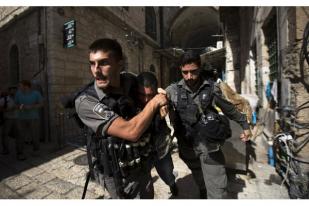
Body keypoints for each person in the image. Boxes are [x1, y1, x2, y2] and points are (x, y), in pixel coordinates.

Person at [74, 38, 168, 199]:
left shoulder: (129, 81)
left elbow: (148, 88)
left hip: (142, 164)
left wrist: (160, 95)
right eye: (92, 63)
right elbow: (131, 131)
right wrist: (155, 103)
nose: (96, 70)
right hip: (118, 176)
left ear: (120, 64)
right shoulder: (86, 102)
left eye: (103, 63)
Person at [165, 51, 251, 199]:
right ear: (180, 69)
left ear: (200, 68)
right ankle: (203, 189)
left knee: (217, 189)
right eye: (185, 72)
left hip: (209, 147)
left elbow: (229, 109)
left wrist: (245, 125)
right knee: (198, 175)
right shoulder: (172, 91)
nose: (189, 77)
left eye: (193, 72)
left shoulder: (212, 88)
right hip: (187, 147)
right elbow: (155, 105)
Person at [136, 71, 178, 196]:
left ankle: (172, 184)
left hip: (161, 149)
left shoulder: (162, 100)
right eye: (142, 95)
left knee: (167, 173)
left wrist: (166, 102)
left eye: (150, 95)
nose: (146, 100)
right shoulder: (132, 103)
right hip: (142, 152)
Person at [14, 80, 43, 160]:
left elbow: (41, 104)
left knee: (35, 135)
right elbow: (15, 104)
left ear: (26, 86)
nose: (19, 87)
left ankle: (36, 150)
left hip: (33, 118)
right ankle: (20, 153)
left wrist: (31, 106)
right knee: (20, 135)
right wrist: (21, 106)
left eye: (20, 86)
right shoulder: (18, 93)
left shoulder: (36, 93)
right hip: (21, 118)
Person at [0, 86, 18, 155]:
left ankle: (19, 151)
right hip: (7, 119)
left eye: (15, 90)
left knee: (18, 135)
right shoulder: (3, 99)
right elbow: (1, 109)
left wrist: (20, 107)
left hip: (17, 119)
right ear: (9, 91)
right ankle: (5, 149)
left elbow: (22, 106)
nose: (13, 92)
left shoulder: (18, 99)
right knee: (5, 135)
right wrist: (9, 109)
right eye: (12, 90)